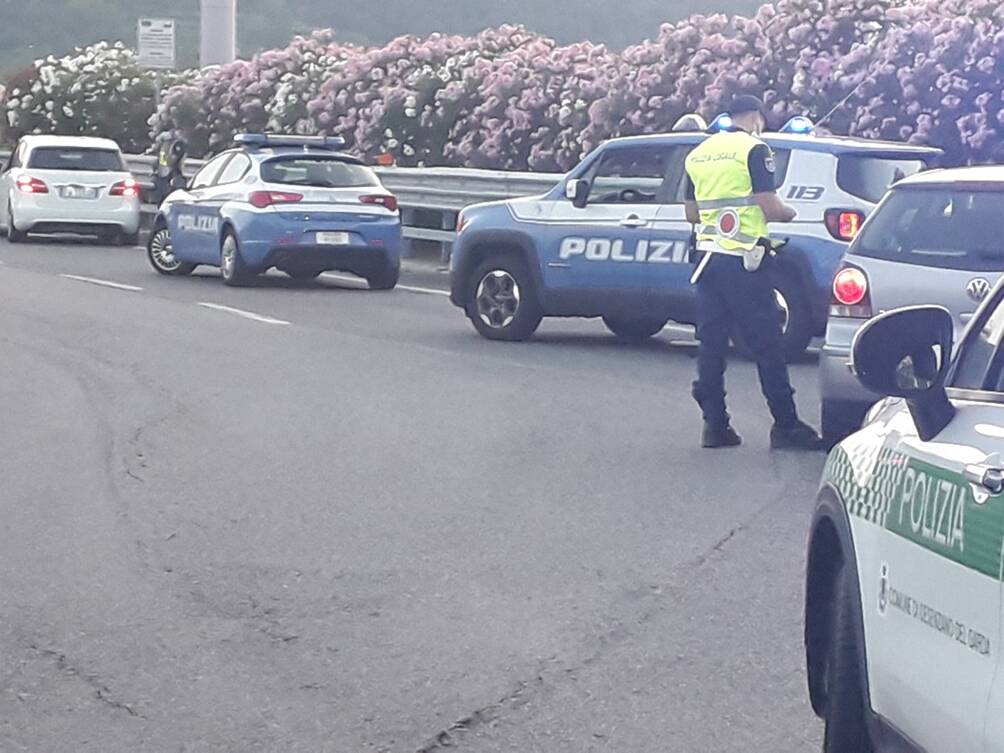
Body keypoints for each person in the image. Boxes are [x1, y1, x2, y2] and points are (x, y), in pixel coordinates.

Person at [683, 95, 823, 450]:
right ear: (757, 117)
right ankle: (786, 424)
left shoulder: (698, 153)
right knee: (767, 343)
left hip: (707, 261)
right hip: (745, 261)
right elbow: (769, 206)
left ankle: (715, 426)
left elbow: (692, 213)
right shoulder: (755, 149)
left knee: (711, 344)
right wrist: (789, 213)